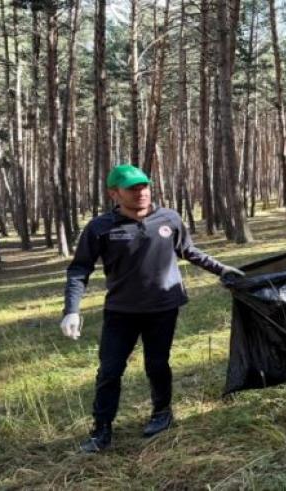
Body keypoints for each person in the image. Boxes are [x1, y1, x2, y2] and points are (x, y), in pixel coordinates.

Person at [60, 164, 244, 453]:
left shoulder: (168, 218)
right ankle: (101, 430)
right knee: (109, 370)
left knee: (157, 363)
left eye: (144, 186)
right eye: (132, 188)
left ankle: (162, 413)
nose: (141, 192)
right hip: (121, 311)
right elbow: (79, 269)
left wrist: (222, 270)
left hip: (163, 307)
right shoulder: (100, 228)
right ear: (114, 193)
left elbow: (189, 251)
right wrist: (71, 309)